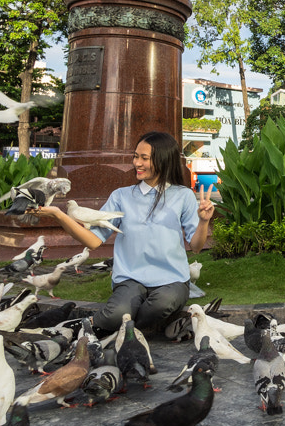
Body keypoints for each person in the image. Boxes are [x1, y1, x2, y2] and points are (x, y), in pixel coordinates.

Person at [31, 131, 214, 336]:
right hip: (130, 279)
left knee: (161, 305)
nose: (137, 163)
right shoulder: (121, 196)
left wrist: (204, 222)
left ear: (163, 160)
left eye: (145, 158)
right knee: (116, 313)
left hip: (172, 280)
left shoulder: (184, 196)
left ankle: (107, 328)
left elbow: (196, 246)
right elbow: (93, 241)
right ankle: (131, 327)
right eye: (136, 156)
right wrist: (58, 215)